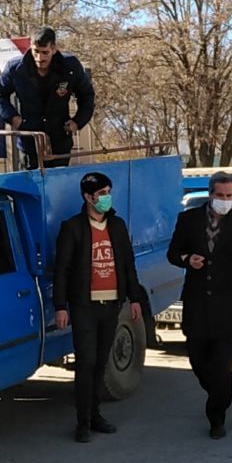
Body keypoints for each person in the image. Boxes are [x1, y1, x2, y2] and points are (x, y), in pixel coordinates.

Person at [53, 171, 146, 443]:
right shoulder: (73, 228)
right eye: (102, 194)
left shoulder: (117, 225)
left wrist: (135, 298)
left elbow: (128, 264)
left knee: (101, 362)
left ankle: (95, 415)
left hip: (111, 305)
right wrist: (60, 306)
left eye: (108, 192)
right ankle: (82, 422)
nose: (107, 198)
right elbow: (62, 269)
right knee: (86, 362)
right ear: (88, 197)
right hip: (84, 307)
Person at [167, 172, 232, 439]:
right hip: (196, 304)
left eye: (229, 196)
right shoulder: (188, 220)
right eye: (220, 195)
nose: (225, 200)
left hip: (227, 307)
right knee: (198, 360)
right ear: (210, 194)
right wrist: (187, 259)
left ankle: (217, 416)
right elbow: (173, 253)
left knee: (223, 366)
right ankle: (217, 393)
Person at [0, 26, 96, 170]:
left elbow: (87, 96)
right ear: (30, 47)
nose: (40, 58)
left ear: (54, 49)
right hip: (29, 141)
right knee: (32, 183)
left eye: (45, 52)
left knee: (57, 182)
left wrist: (77, 122)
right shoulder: (15, 68)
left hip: (60, 141)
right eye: (36, 52)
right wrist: (13, 117)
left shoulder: (70, 67)